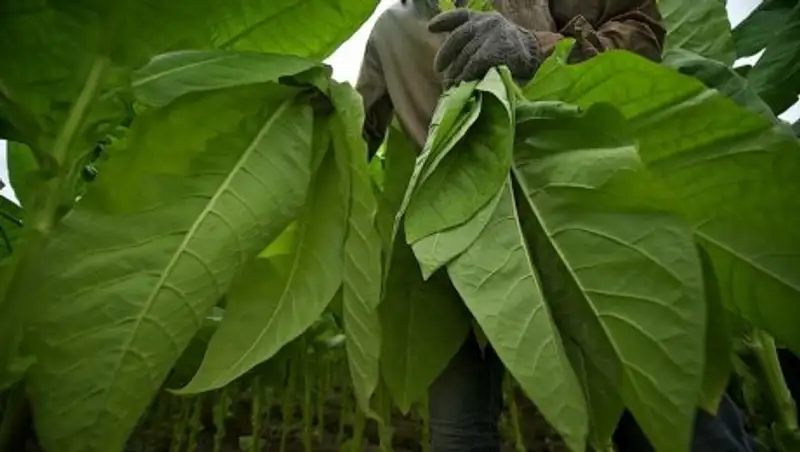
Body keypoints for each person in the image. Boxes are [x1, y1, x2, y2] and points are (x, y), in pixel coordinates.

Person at [354, 1, 755, 450]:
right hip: (452, 241)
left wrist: (534, 49)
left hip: (571, 212)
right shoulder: (391, 30)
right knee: (458, 433)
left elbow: (642, 31)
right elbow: (358, 130)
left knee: (665, 415)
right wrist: (314, 104)